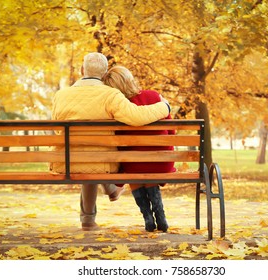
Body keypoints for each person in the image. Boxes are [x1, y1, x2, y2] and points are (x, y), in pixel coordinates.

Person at [50, 53, 171, 231]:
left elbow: (57, 128)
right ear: (105, 73)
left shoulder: (61, 95)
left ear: (82, 70)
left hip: (66, 162)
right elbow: (136, 117)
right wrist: (164, 106)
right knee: (95, 159)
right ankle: (110, 192)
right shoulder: (111, 94)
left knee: (85, 158)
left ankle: (89, 219)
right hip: (103, 162)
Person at [103, 65, 175, 232]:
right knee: (147, 165)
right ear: (129, 79)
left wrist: (119, 180)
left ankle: (148, 218)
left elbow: (118, 144)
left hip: (133, 164)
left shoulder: (118, 108)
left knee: (135, 166)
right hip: (162, 161)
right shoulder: (154, 96)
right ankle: (160, 216)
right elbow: (171, 131)